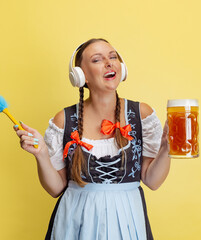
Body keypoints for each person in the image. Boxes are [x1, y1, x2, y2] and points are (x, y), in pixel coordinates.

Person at [14, 38, 171, 240]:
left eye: (113, 57)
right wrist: (41, 154)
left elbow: (152, 181)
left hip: (128, 221)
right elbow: (56, 188)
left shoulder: (141, 114)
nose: (109, 62)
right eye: (97, 60)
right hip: (75, 223)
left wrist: (167, 147)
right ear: (81, 76)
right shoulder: (64, 119)